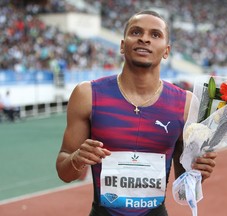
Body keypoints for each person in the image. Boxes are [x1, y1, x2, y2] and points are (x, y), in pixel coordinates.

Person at [56, 10, 217, 216]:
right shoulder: (87, 94)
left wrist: (199, 172)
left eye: (155, 35)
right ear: (123, 45)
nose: (144, 38)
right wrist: (78, 158)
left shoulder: (185, 103)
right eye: (136, 32)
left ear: (166, 51)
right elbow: (64, 172)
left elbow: (185, 189)